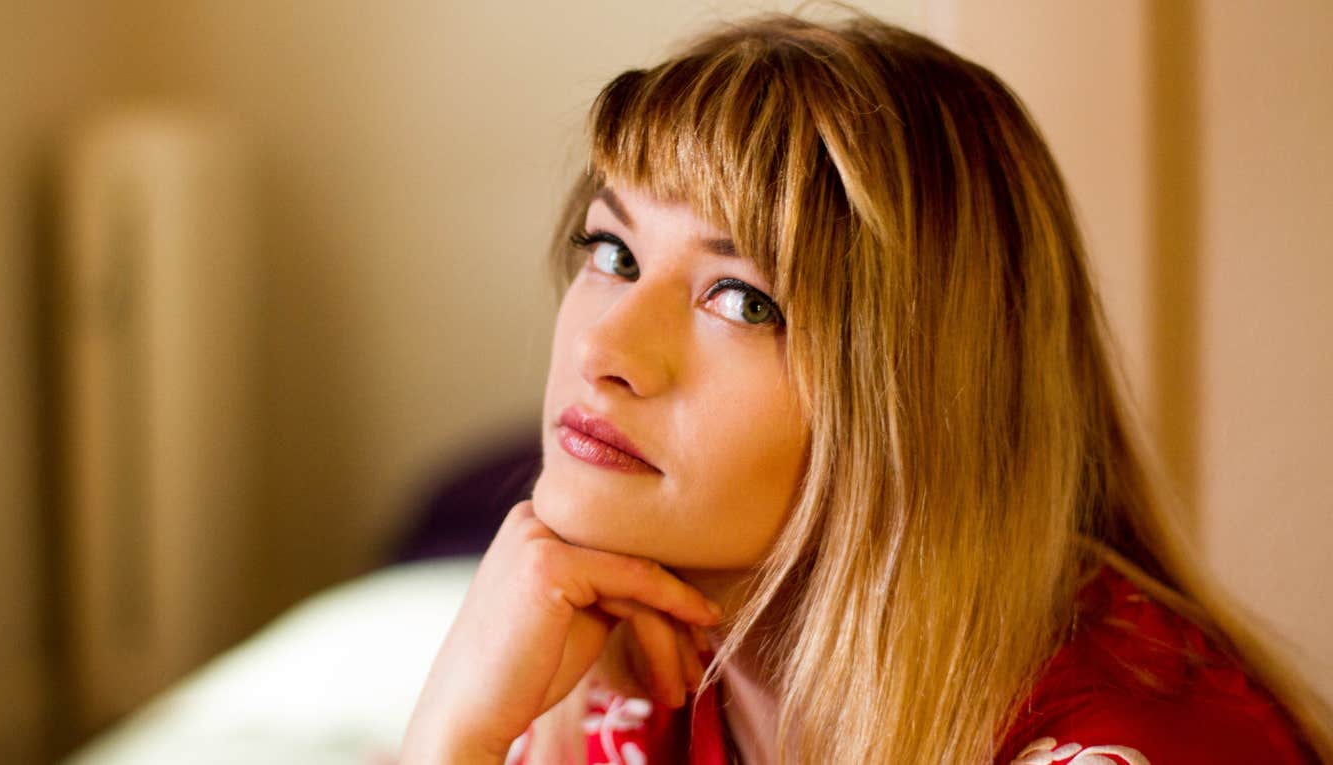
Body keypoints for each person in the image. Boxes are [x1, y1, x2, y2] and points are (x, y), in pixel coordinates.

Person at [399, 11, 1332, 765]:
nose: (604, 343)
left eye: (741, 300)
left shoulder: (1137, 747)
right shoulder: (611, 688)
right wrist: (452, 734)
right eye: (612, 251)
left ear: (924, 402)